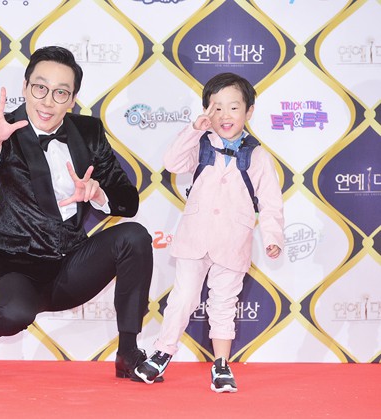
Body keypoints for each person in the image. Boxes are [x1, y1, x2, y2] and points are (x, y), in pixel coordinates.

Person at [0, 46, 154, 380]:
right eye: (39, 88)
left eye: (61, 93)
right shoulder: (3, 127)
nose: (47, 101)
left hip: (71, 263)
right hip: (17, 262)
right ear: (26, 87)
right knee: (14, 313)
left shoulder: (89, 132)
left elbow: (128, 201)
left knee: (135, 235)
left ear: (72, 99)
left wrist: (97, 192)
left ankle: (128, 351)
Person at [134, 72, 284, 392]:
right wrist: (192, 130)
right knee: (183, 299)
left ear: (249, 111)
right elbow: (172, 162)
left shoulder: (258, 155)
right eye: (216, 108)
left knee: (223, 305)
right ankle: (162, 353)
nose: (225, 115)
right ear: (206, 111)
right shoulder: (200, 145)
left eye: (233, 107)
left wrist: (272, 238)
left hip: (233, 243)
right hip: (194, 239)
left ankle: (221, 365)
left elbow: (271, 203)